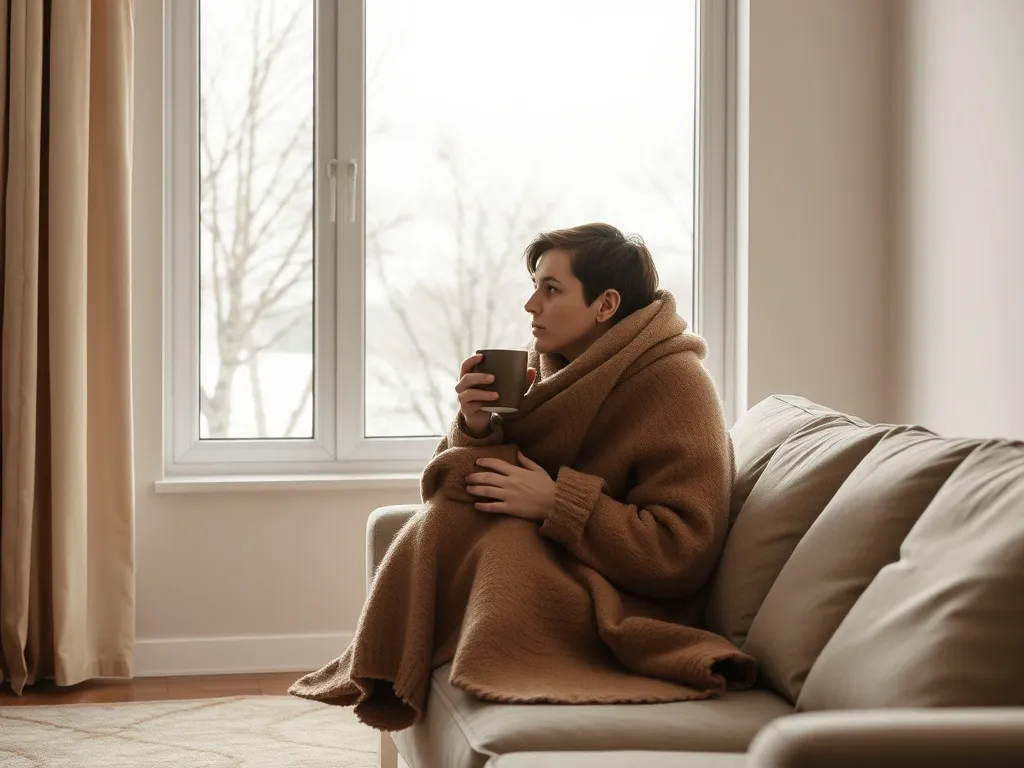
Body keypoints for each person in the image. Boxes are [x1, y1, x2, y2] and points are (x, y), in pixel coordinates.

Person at [290, 222, 754, 732]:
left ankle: (396, 670)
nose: (531, 305)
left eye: (550, 290)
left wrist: (558, 503)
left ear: (606, 305)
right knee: (457, 512)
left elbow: (681, 551)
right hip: (567, 562)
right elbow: (472, 479)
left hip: (630, 596)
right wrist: (476, 424)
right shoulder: (549, 365)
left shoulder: (677, 384)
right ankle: (386, 669)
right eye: (534, 287)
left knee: (496, 542)